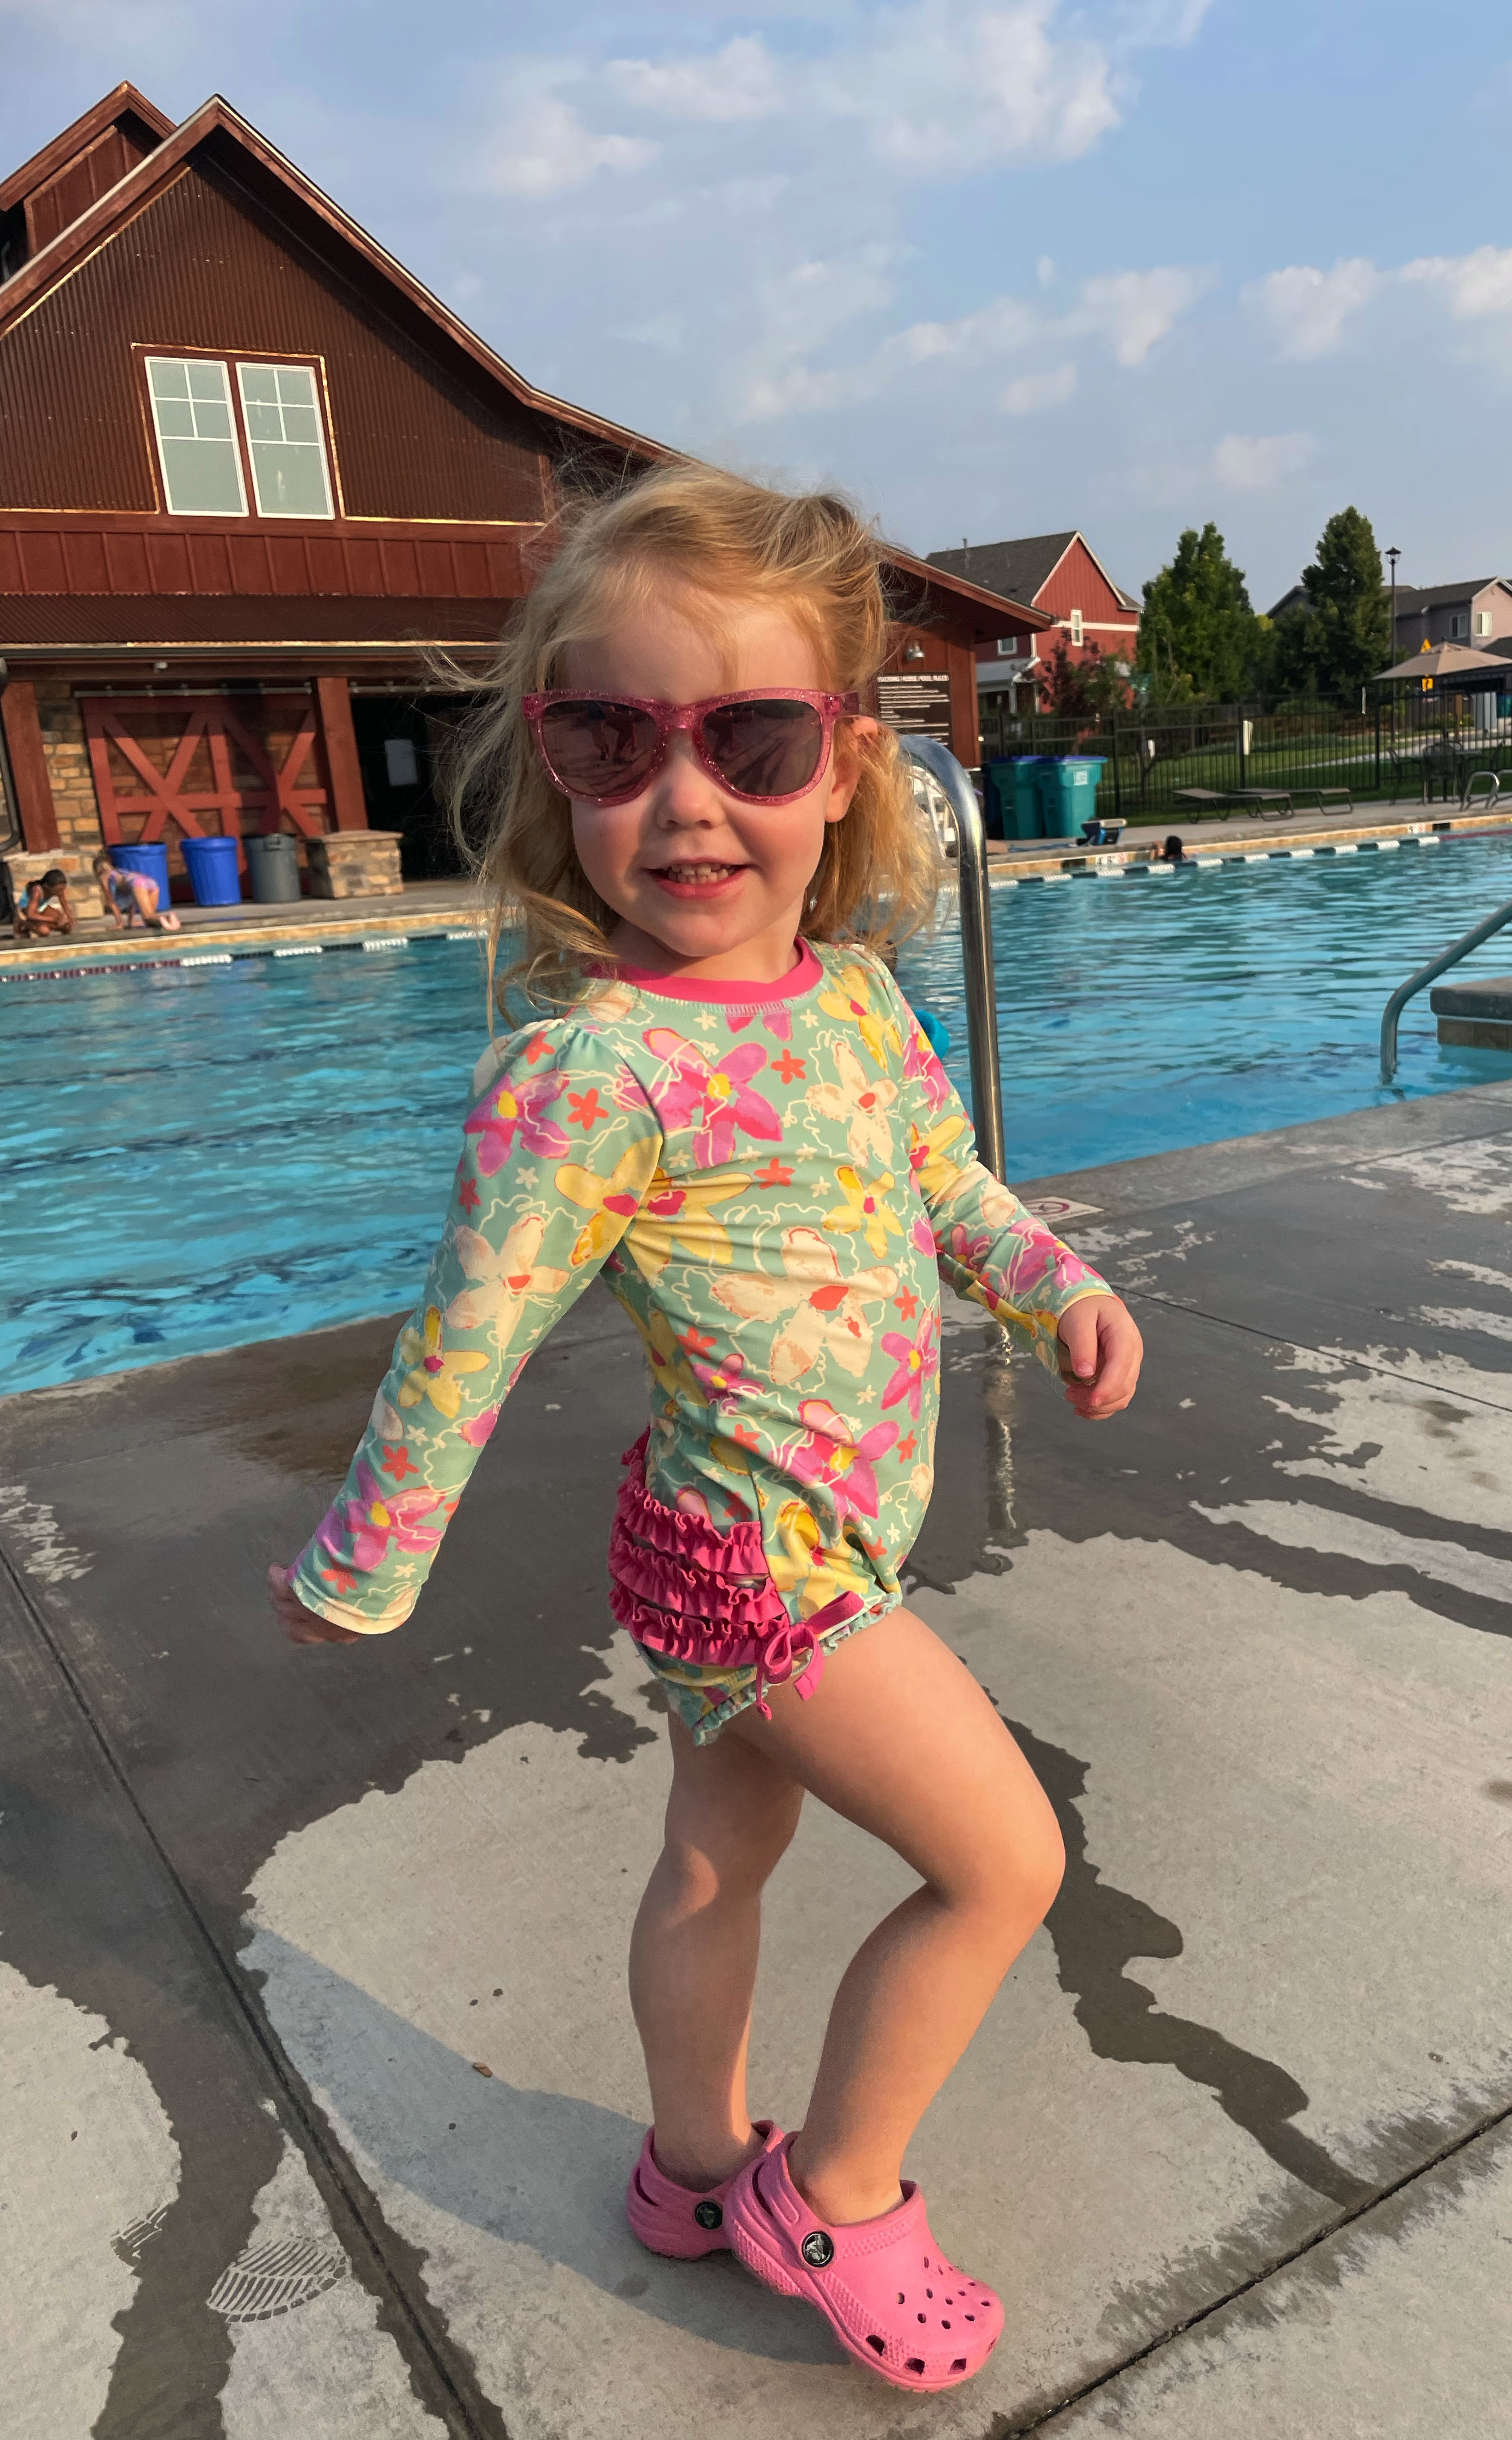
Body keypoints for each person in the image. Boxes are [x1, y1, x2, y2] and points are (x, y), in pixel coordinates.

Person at [266, 465, 1144, 2394]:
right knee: (1004, 1862)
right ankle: (832, 2194)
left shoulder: (858, 1005)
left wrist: (1057, 1282)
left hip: (741, 1537)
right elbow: (464, 1343)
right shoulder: (589, 1076)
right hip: (766, 1567)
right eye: (613, 740)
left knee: (714, 1860)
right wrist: (363, 1562)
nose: (682, 799)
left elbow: (944, 1184)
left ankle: (684, 2171)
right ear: (549, 766)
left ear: (844, 766)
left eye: (748, 742)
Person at [93, 849, 180, 931]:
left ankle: (168, 916)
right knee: (151, 918)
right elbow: (133, 899)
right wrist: (131, 921)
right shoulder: (120, 872)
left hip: (139, 883)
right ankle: (169, 919)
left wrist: (120, 924)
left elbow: (111, 903)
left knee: (148, 917)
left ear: (97, 870)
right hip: (151, 882)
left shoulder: (104, 877)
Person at [13, 867, 73, 937]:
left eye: (63, 889)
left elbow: (64, 902)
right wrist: (53, 920)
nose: (61, 892)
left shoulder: (59, 889)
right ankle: (22, 921)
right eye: (59, 890)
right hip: (27, 910)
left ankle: (36, 924)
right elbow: (31, 914)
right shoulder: (37, 891)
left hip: (41, 908)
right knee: (45, 931)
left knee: (67, 927)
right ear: (47, 886)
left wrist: (69, 917)